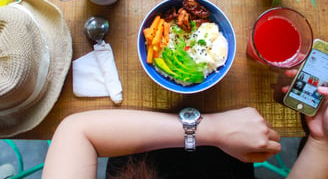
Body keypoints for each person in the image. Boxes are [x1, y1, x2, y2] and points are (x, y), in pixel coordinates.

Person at [42, 70, 328, 179]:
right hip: (228, 161)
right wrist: (321, 140)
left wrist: (213, 130)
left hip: (134, 145)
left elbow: (75, 132)